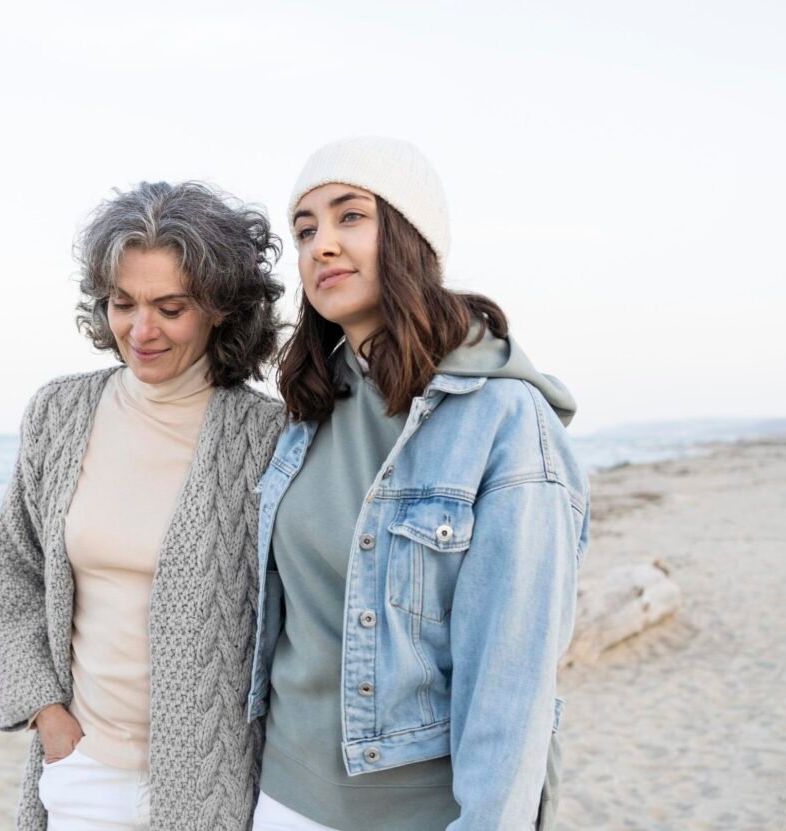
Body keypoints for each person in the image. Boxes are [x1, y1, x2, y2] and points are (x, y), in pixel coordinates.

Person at [247, 137, 591, 831]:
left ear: (412, 237)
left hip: (417, 814)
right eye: (306, 229)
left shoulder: (502, 418)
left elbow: (512, 687)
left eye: (351, 217)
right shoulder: (309, 407)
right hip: (281, 795)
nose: (321, 246)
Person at [0, 180, 286, 831]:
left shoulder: (269, 435)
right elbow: (14, 569)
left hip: (217, 780)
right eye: (124, 303)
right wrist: (47, 712)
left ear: (221, 310)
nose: (141, 330)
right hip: (81, 769)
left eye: (171, 307)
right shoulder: (59, 413)